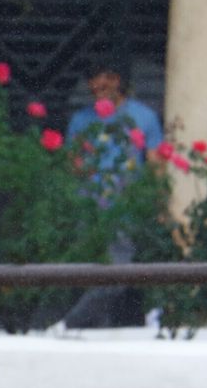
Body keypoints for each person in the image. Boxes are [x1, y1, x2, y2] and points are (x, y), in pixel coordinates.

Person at [60, 61, 163, 329]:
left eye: (106, 77)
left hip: (126, 208)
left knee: (119, 273)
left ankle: (70, 324)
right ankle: (91, 327)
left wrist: (156, 203)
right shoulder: (81, 120)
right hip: (89, 209)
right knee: (87, 273)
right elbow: (73, 165)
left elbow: (155, 167)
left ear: (119, 80)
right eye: (93, 79)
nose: (99, 85)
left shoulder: (144, 117)